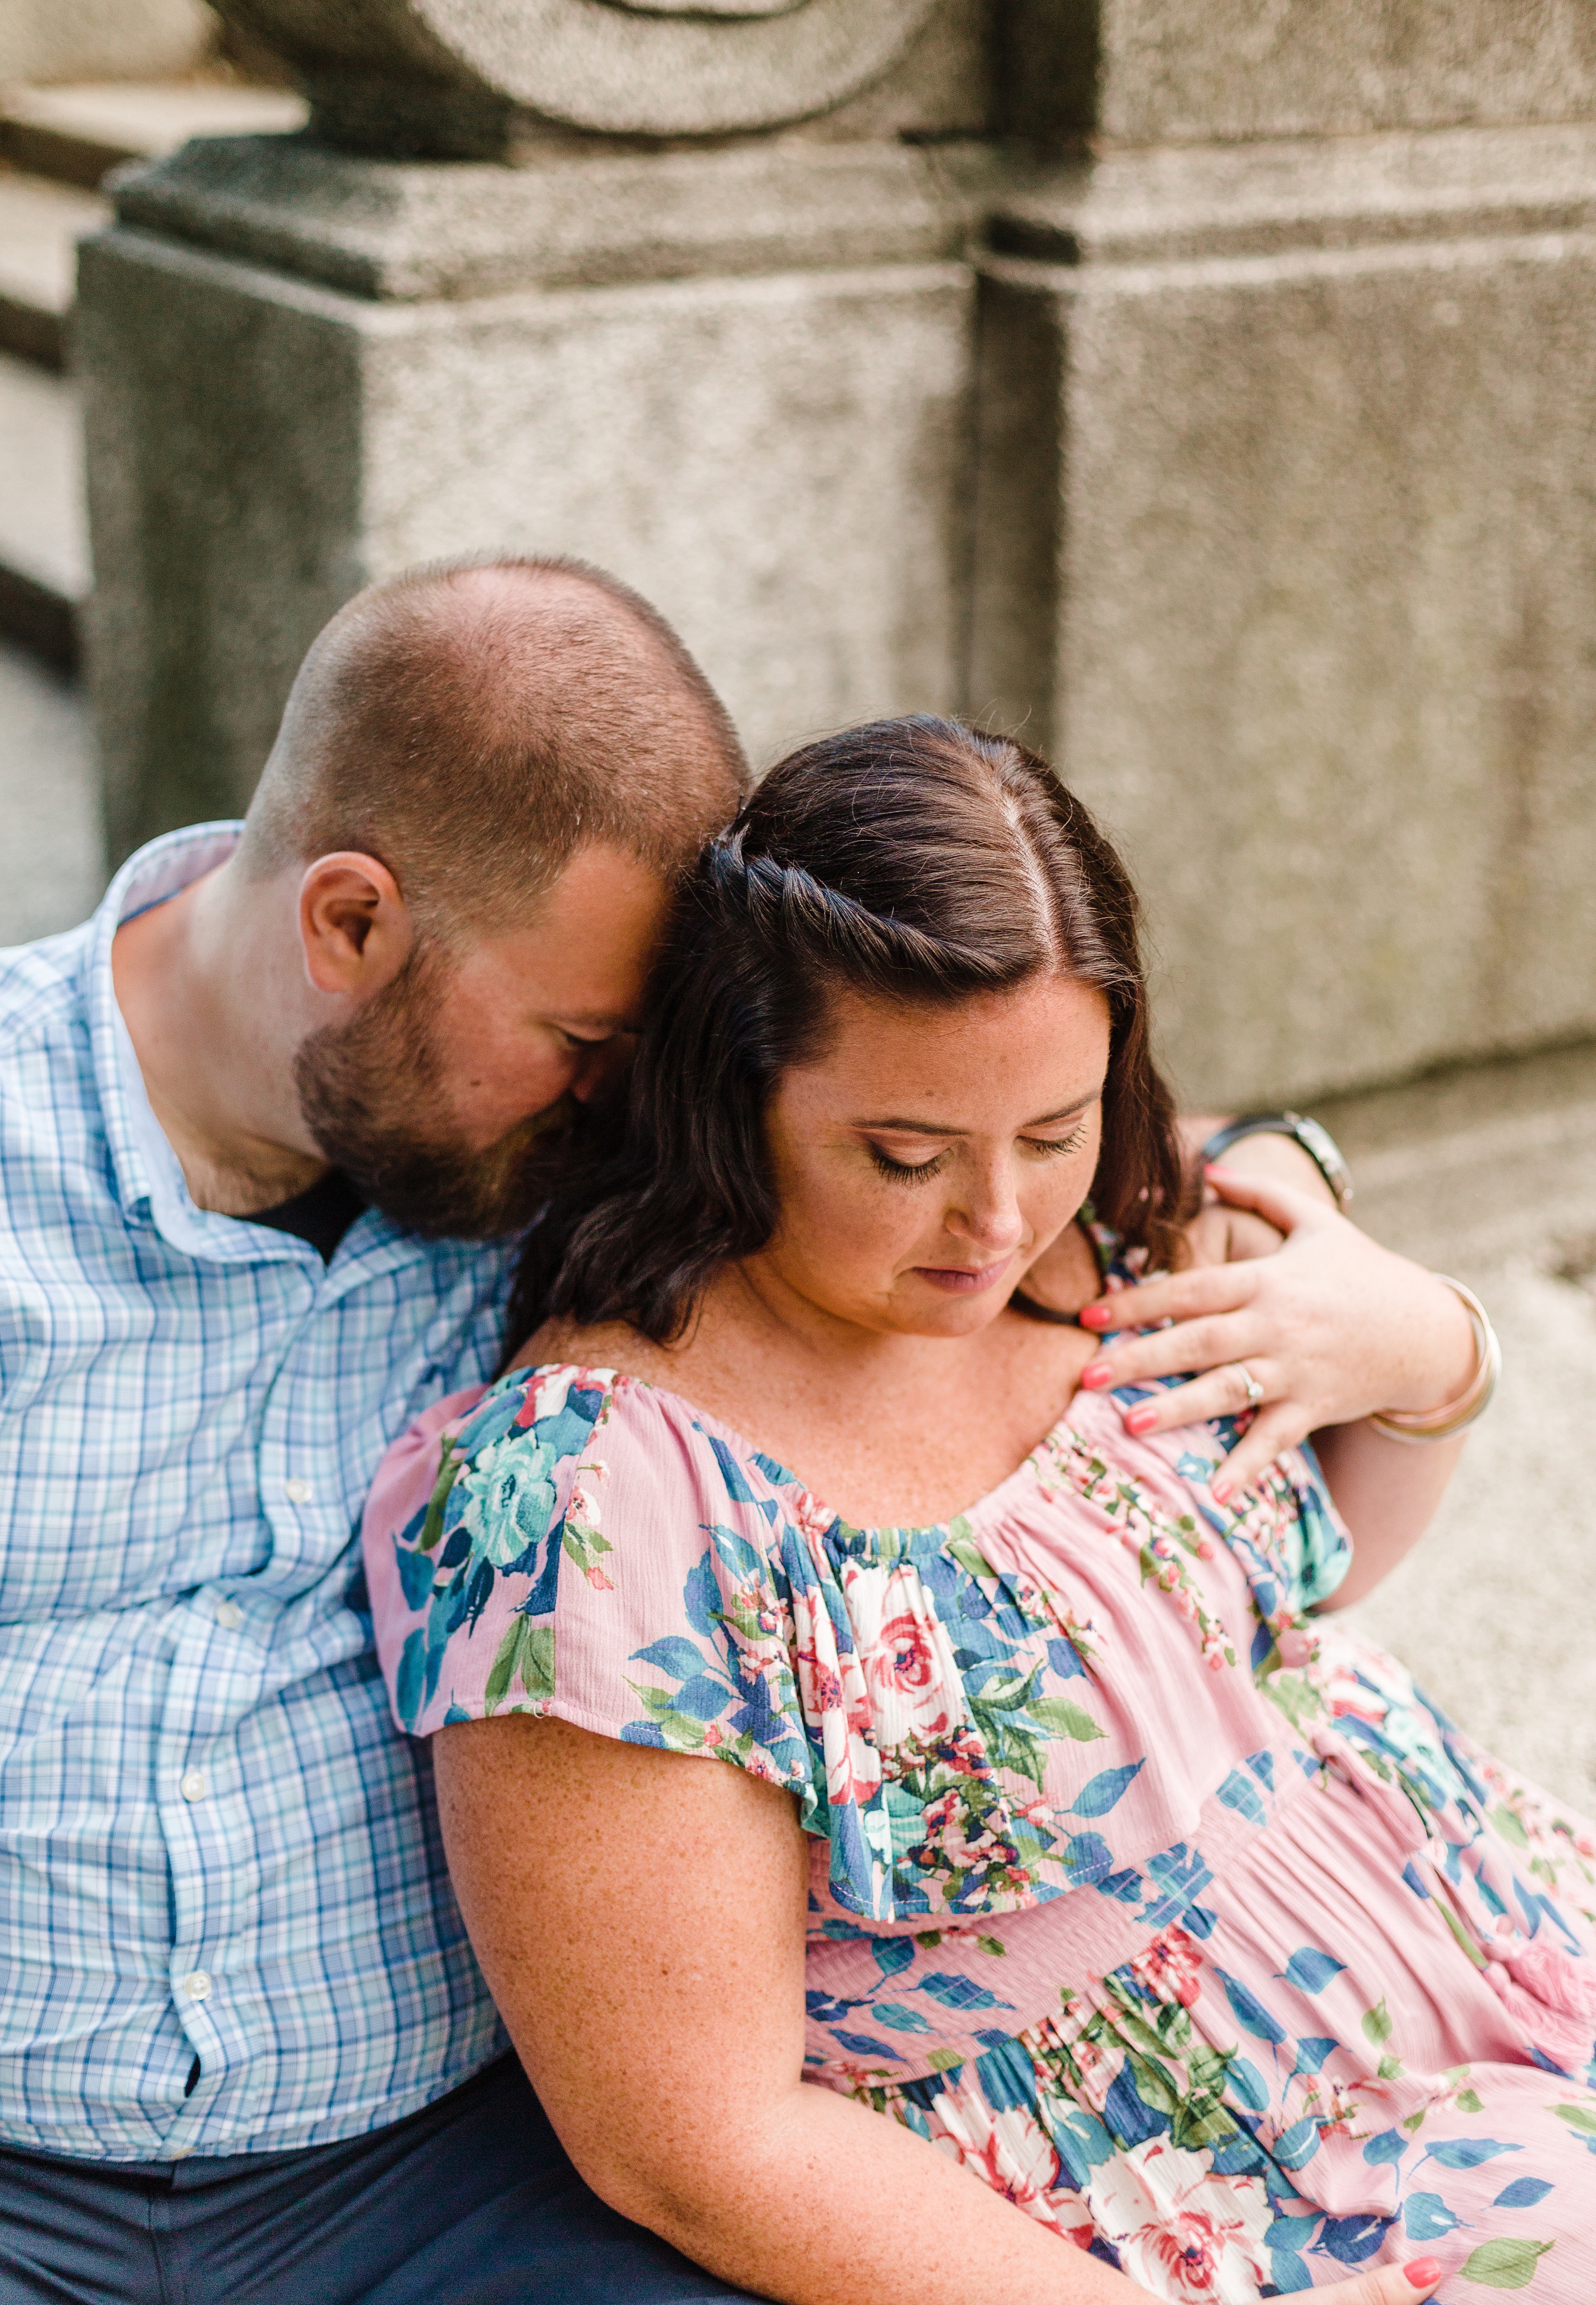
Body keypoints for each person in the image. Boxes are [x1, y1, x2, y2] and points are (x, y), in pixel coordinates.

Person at [0, 555, 1470, 2305]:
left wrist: (1340, 1223)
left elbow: (982, 1115)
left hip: (443, 2170)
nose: (641, 1095)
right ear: (349, 925)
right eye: (590, 1038)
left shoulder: (572, 1150)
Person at [365, 715, 1596, 2302]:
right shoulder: (601, 1503)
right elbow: (694, 2140)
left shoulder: (1109, 1220)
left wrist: (1433, 1353)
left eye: (1054, 1128)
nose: (999, 1221)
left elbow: (1301, 1596)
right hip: (1199, 2174)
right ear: (734, 1092)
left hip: (1481, 1932)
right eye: (904, 1153)